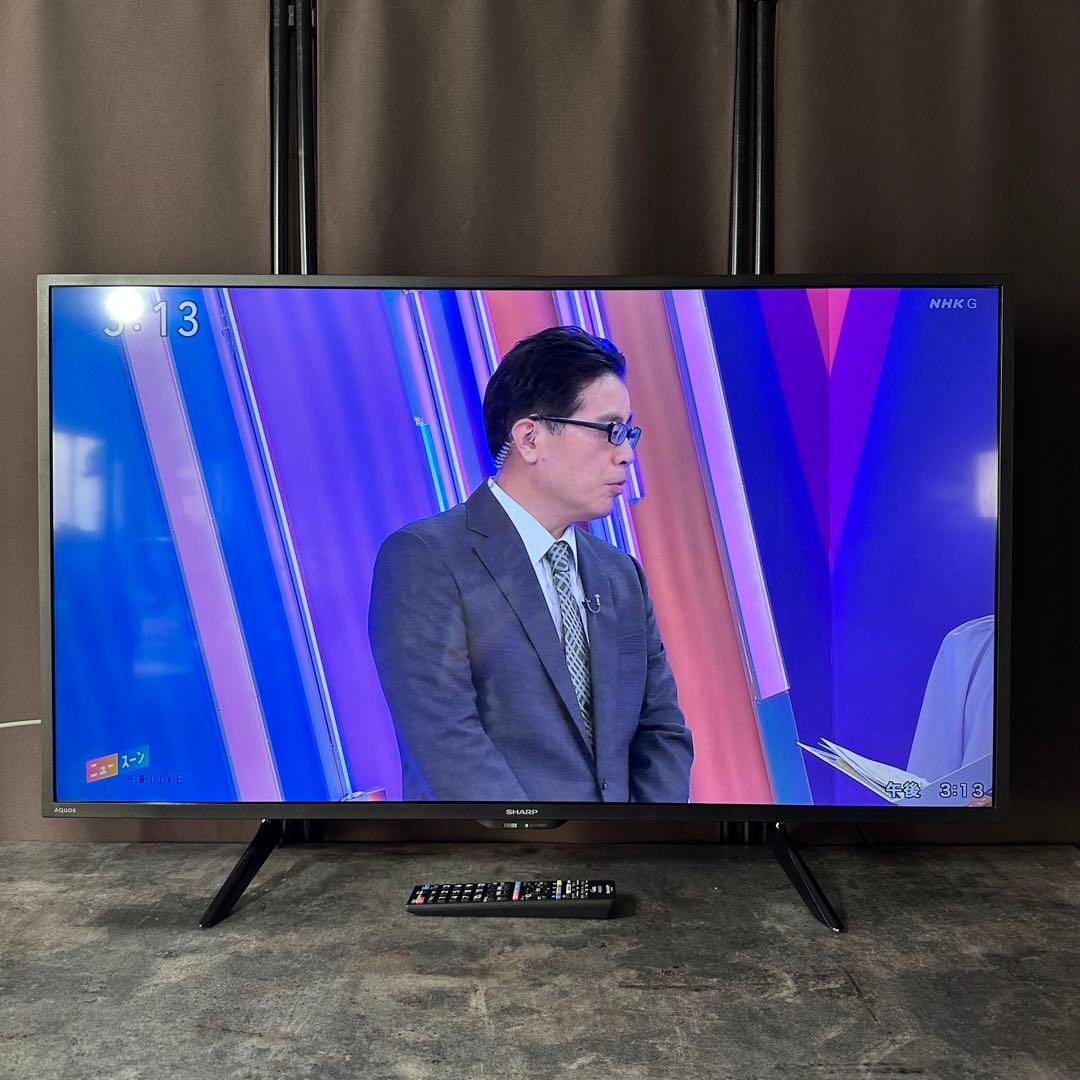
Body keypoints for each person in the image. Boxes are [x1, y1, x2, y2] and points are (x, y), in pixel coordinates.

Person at [368, 326, 694, 802]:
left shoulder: (620, 575)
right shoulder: (425, 559)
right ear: (530, 438)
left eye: (628, 433)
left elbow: (660, 730)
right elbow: (448, 746)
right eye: (610, 431)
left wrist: (641, 837)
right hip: (493, 846)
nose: (626, 454)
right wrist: (554, 840)